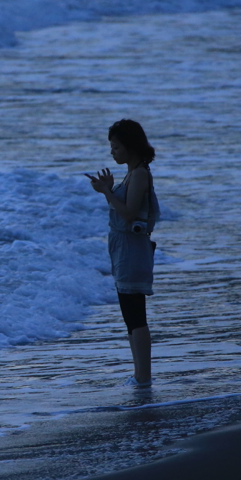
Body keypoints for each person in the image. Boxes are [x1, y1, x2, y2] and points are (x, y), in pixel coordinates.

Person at [85, 119, 159, 387]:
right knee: (130, 315)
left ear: (130, 146)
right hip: (124, 248)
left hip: (132, 249)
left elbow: (127, 213)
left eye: (116, 147)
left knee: (135, 314)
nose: (112, 152)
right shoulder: (132, 173)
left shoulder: (139, 174)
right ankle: (139, 375)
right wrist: (108, 189)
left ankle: (144, 377)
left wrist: (106, 191)